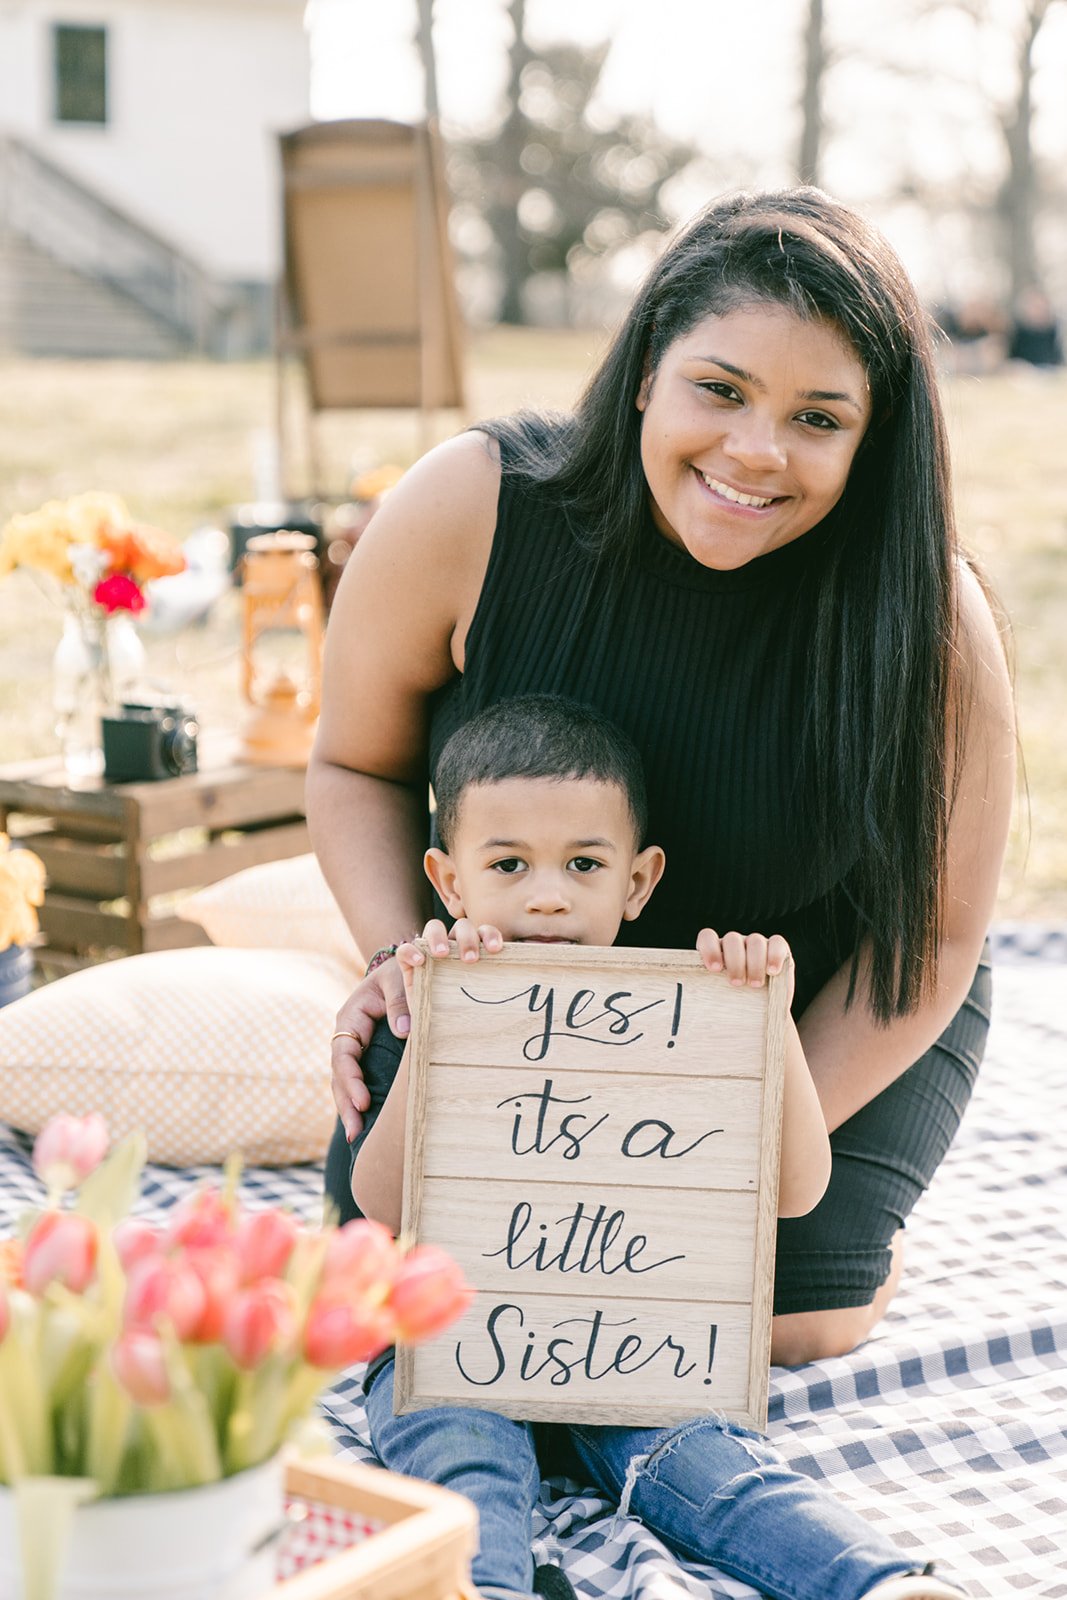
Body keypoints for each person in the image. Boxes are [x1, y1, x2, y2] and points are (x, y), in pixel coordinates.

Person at [309, 185, 1014, 1376]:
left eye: (817, 419)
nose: (754, 450)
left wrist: (720, 1131)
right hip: (521, 994)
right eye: (720, 389)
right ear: (645, 370)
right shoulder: (472, 507)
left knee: (776, 1324)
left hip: (815, 1007)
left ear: (869, 440)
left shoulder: (926, 619)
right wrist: (403, 962)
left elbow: (938, 942)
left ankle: (870, 1256)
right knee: (408, 1291)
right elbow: (350, 762)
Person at [332, 692, 971, 1600]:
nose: (546, 894)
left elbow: (792, 1190)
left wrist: (771, 1019)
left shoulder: (687, 1013)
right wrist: (442, 1027)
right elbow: (383, 1202)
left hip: (640, 1343)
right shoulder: (433, 998)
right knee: (462, 1470)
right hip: (452, 1341)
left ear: (636, 881)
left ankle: (875, 1583)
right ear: (448, 881)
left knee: (709, 1469)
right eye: (507, 863)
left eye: (583, 864)